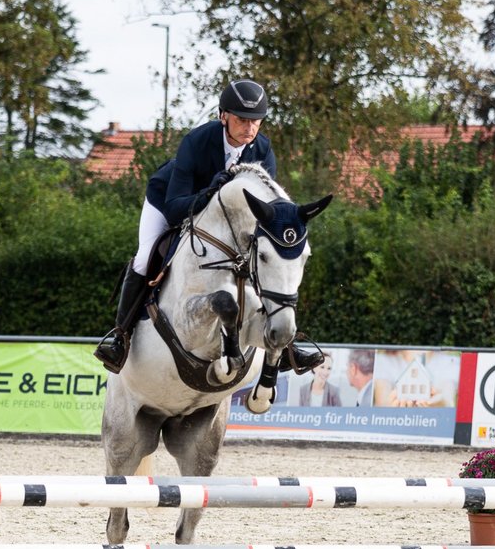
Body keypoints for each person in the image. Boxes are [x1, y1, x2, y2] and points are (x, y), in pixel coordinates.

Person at [94, 79, 325, 376]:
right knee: (145, 256)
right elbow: (175, 207)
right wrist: (207, 194)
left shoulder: (263, 150)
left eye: (257, 121)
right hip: (170, 202)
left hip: (224, 221)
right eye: (242, 120)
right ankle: (120, 337)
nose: (250, 128)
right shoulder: (197, 142)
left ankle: (283, 348)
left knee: (264, 259)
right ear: (223, 116)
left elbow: (268, 210)